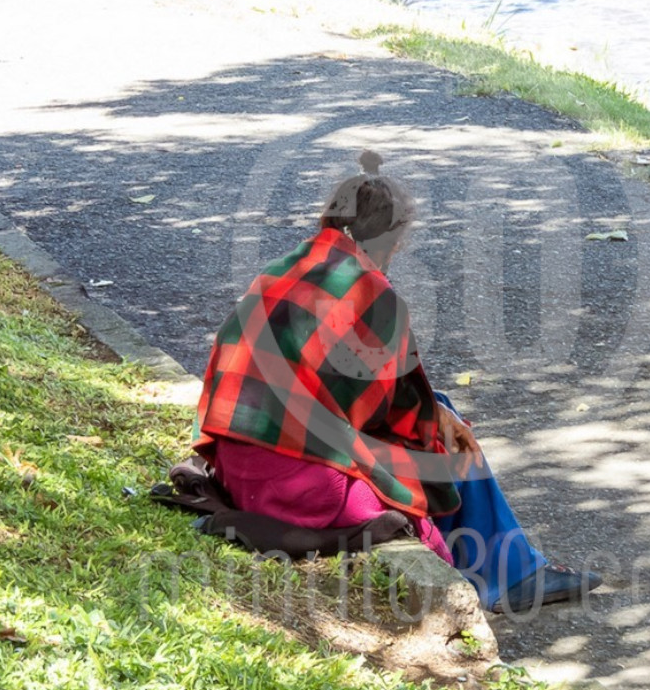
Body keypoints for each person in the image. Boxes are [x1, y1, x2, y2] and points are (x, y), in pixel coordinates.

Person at [191, 150, 601, 613]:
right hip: (298, 487)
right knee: (444, 445)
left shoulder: (281, 269)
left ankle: (512, 566)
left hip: (236, 466)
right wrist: (440, 417)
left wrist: (435, 409)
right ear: (393, 238)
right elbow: (404, 417)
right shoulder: (371, 293)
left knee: (438, 410)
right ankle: (511, 574)